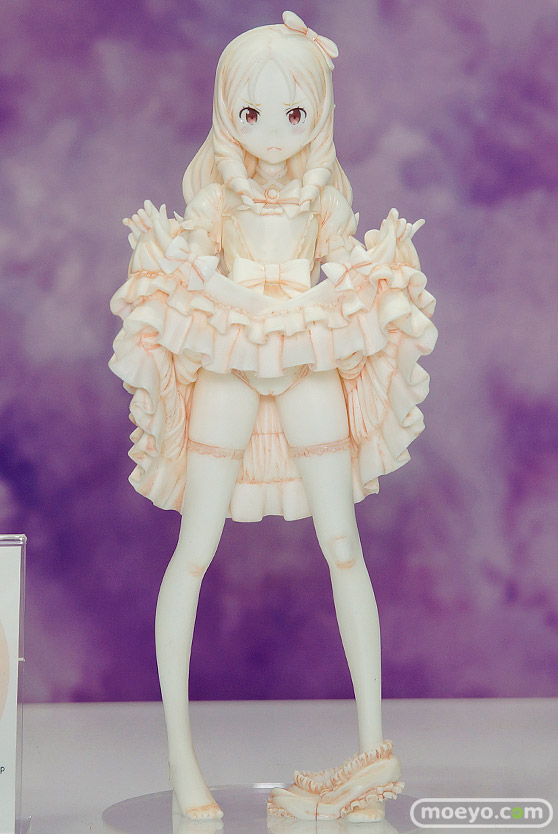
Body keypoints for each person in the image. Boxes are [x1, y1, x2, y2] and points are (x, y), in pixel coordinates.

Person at [110, 10, 437, 823]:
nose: (273, 132)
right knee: (194, 550)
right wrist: (189, 275)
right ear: (228, 111)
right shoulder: (217, 198)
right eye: (251, 112)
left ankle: (370, 761)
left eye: (295, 112)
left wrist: (374, 278)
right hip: (229, 354)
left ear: (319, 112)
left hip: (306, 354)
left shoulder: (324, 197)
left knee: (343, 544)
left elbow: (346, 274)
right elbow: (187, 274)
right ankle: (182, 761)